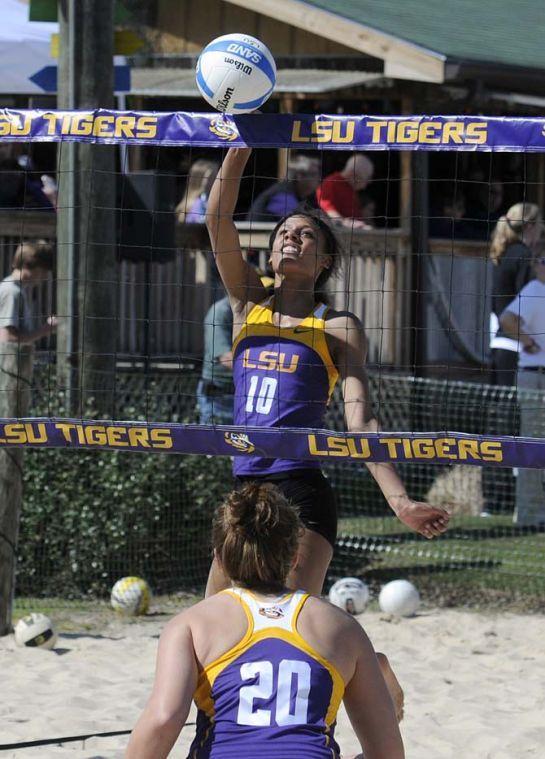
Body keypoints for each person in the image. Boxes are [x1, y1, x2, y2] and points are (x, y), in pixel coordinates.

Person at [204, 146, 449, 598]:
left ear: (324, 262)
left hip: (299, 488)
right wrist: (240, 146)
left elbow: (361, 423)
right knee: (215, 623)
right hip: (244, 489)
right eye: (283, 233)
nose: (290, 238)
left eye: (305, 235)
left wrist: (400, 502)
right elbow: (217, 217)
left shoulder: (336, 325)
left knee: (293, 622)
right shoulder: (248, 302)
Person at [125, 483, 405, 759]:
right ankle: (373, 670)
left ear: (219, 559)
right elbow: (389, 753)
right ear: (295, 558)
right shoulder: (341, 626)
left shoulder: (191, 624)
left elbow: (164, 719)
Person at [500, 247, 545, 526]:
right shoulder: (534, 289)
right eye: (541, 261)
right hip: (535, 376)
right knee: (533, 445)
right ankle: (529, 514)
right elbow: (507, 319)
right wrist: (528, 341)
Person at [489, 202, 542, 386]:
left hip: (499, 344)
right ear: (530, 226)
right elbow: (524, 302)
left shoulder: (504, 253)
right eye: (540, 223)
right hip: (518, 348)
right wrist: (529, 341)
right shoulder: (524, 256)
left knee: (501, 411)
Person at [0, 240, 56, 345]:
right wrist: (46, 329)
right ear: (27, 264)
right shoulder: (11, 292)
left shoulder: (16, 289)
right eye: (43, 270)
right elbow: (8, 339)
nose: (45, 276)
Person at [247, 154, 321, 222]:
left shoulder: (299, 196)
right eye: (314, 174)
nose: (319, 178)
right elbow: (294, 220)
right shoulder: (282, 194)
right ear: (300, 176)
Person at [316, 154, 374, 228]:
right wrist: (349, 224)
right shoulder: (331, 184)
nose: (368, 183)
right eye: (367, 178)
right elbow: (329, 213)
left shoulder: (351, 188)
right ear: (354, 175)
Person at [176, 159, 220, 224]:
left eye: (216, 177)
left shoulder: (206, 201)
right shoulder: (199, 204)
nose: (216, 181)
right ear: (198, 180)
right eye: (211, 177)